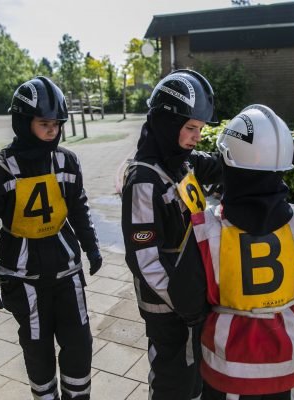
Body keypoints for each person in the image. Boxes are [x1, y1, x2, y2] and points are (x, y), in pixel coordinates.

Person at [0, 76, 102, 400]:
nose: (52, 131)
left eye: (57, 124)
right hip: (23, 280)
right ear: (23, 122)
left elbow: (79, 208)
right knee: (38, 353)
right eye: (44, 124)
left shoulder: (67, 161)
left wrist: (91, 248)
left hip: (68, 275)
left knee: (79, 346)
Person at [191, 104, 294, 400]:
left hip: (226, 373)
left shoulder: (205, 229)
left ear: (227, 165)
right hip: (287, 371)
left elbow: (187, 302)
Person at [120, 69, 222, 400]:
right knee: (171, 383)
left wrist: (284, 152)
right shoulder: (143, 181)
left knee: (194, 379)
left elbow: (223, 164)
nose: (197, 137)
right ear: (167, 123)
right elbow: (145, 260)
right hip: (167, 307)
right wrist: (186, 304)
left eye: (200, 129)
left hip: (191, 298)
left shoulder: (180, 161)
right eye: (191, 128)